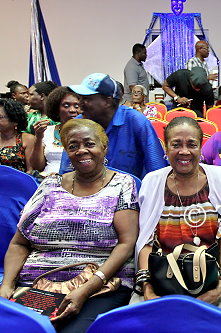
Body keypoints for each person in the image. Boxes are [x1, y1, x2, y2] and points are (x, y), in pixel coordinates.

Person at [0, 118, 139, 333]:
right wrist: (7, 285)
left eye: (89, 144)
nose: (81, 150)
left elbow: (126, 243)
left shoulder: (122, 184)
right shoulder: (50, 185)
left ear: (104, 146)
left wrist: (86, 289)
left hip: (99, 285)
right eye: (73, 146)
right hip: (37, 283)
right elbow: (19, 243)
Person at [134, 117, 221, 310]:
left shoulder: (220, 178)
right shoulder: (152, 182)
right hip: (161, 279)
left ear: (201, 148)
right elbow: (146, 242)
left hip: (211, 279)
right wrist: (148, 289)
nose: (184, 151)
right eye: (176, 145)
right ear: (166, 149)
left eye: (192, 144)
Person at [59, 73, 167, 178]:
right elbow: (65, 172)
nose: (80, 104)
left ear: (107, 102)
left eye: (87, 99)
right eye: (80, 98)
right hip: (87, 192)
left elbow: (156, 170)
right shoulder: (77, 126)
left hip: (131, 192)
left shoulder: (135, 121)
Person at [31, 87, 79, 176]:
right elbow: (37, 167)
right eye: (66, 106)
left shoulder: (89, 133)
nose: (72, 110)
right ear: (56, 109)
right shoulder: (46, 131)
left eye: (77, 106)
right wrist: (39, 137)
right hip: (48, 181)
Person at [0, 99, 35, 173]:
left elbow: (30, 170)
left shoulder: (27, 139)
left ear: (15, 121)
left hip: (18, 182)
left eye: (0, 117)